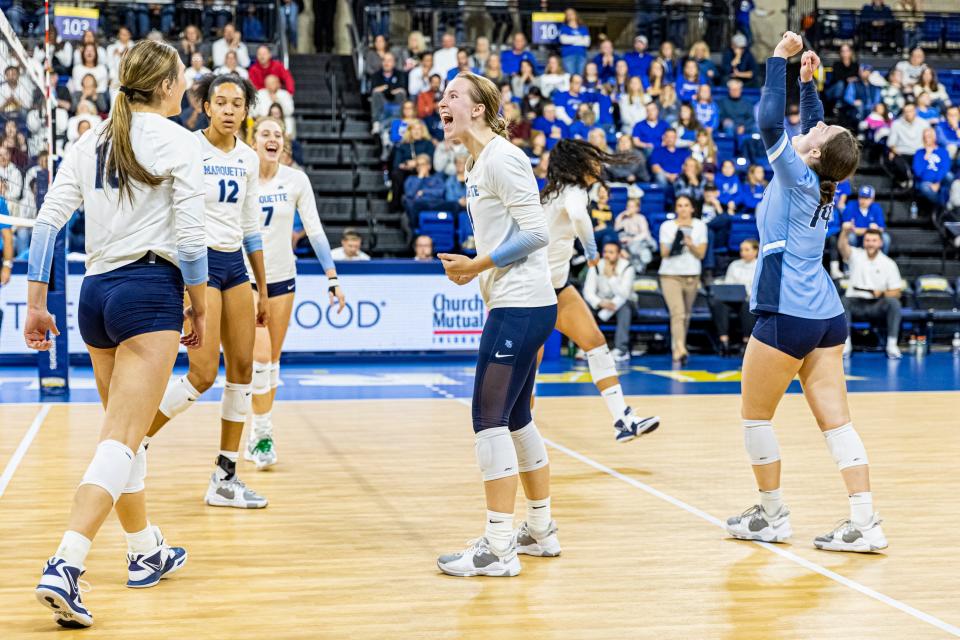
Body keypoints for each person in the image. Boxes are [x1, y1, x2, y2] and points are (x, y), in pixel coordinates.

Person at [26, 40, 206, 628]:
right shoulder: (181, 142)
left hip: (94, 295)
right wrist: (198, 309)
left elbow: (47, 224)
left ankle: (144, 548)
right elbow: (193, 242)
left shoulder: (88, 141)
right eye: (183, 77)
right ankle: (66, 561)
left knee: (120, 438)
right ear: (164, 87)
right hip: (149, 291)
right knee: (123, 438)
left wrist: (35, 303)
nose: (187, 84)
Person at [723, 35, 888, 553]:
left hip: (786, 311)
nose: (814, 121)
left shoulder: (794, 174)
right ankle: (865, 522)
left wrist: (778, 60)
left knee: (754, 417)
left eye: (818, 127)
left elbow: (772, 123)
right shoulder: (824, 178)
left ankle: (771, 516)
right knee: (836, 423)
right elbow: (816, 133)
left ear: (813, 152)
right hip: (826, 314)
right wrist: (809, 82)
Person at [435, 72, 559, 577]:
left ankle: (499, 545)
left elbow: (536, 232)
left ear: (480, 108)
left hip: (521, 304)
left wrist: (476, 265)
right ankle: (541, 530)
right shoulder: (479, 161)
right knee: (516, 419)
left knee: (488, 418)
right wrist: (479, 272)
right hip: (520, 302)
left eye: (452, 96)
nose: (442, 103)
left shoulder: (502, 157)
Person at [145, 73, 270, 509]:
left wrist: (263, 288)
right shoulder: (187, 147)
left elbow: (251, 227)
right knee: (201, 374)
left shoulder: (249, 159)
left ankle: (225, 475)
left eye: (238, 103)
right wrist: (181, 286)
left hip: (236, 266)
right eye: (222, 102)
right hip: (197, 265)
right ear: (207, 106)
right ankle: (135, 440)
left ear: (246, 110)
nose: (231, 110)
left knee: (243, 372)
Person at [243, 117, 344, 468]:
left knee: (271, 362)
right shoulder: (242, 176)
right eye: (265, 134)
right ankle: (262, 432)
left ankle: (258, 433)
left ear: (283, 144)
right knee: (259, 359)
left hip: (284, 278)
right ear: (253, 140)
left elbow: (314, 231)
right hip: (247, 280)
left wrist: (332, 276)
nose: (272, 139)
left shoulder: (296, 180)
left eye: (278, 135)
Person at [540, 139, 660, 436]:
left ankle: (623, 419)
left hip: (558, 287)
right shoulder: (574, 192)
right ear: (577, 163)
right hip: (533, 293)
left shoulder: (549, 195)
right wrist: (592, 250)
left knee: (595, 344)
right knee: (529, 366)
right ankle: (520, 429)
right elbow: (579, 216)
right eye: (592, 159)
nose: (598, 165)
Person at [837, 224, 902, 359]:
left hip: (877, 304)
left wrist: (882, 293)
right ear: (863, 242)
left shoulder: (889, 263)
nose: (870, 244)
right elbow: (842, 247)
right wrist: (844, 232)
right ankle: (846, 345)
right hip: (856, 303)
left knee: (894, 303)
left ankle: (892, 345)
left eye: (874, 240)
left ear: (880, 243)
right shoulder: (855, 255)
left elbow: (897, 291)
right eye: (867, 240)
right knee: (843, 301)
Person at [658, 195, 707, 363]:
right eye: (680, 205)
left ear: (692, 208)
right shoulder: (667, 226)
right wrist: (677, 241)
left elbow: (701, 254)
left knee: (685, 315)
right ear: (676, 208)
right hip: (670, 275)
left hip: (692, 274)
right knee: (677, 313)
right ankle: (679, 349)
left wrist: (690, 243)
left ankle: (679, 346)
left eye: (687, 205)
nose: (683, 208)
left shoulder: (700, 226)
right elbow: (664, 253)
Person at [583, 241, 638, 361]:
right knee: (585, 306)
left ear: (619, 254)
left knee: (625, 307)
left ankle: (621, 350)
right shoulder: (596, 266)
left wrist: (611, 277)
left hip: (623, 302)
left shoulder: (627, 267)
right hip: (602, 302)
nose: (607, 255)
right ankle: (587, 347)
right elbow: (588, 292)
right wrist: (600, 303)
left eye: (611, 252)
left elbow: (624, 294)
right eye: (605, 252)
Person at [709, 238, 758, 355]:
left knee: (748, 305)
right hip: (733, 298)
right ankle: (724, 341)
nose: (743, 253)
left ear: (756, 251)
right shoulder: (734, 265)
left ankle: (746, 342)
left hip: (750, 299)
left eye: (747, 250)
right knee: (718, 303)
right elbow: (728, 284)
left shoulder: (760, 265)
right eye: (741, 250)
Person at [886, 103, 931, 187]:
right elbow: (891, 143)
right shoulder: (896, 124)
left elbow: (929, 140)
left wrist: (928, 151)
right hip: (902, 153)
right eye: (906, 111)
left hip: (920, 152)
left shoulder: (924, 123)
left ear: (915, 111)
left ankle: (918, 185)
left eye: (910, 111)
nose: (908, 113)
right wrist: (893, 151)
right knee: (895, 162)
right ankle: (904, 182)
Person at [913, 127, 950, 213]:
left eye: (929, 136)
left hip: (940, 181)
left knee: (949, 176)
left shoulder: (943, 151)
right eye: (924, 137)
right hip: (925, 182)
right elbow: (918, 172)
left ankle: (944, 208)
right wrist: (926, 156)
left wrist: (937, 182)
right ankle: (943, 207)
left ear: (934, 138)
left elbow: (945, 168)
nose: (926, 139)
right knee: (924, 188)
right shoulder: (919, 153)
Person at [559, 8, 590, 75]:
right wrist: (580, 38)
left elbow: (587, 42)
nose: (570, 15)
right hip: (568, 55)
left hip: (581, 55)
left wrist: (570, 39)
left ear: (576, 15)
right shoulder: (564, 28)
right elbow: (563, 40)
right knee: (570, 77)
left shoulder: (583, 28)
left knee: (580, 77)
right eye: (568, 14)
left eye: (571, 13)